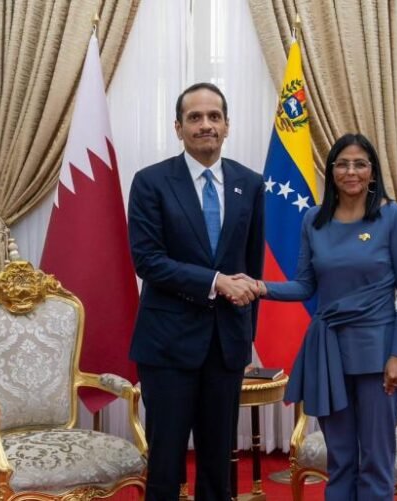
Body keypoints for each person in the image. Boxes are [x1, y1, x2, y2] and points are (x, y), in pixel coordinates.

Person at [255, 133, 397, 500]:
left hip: (378, 355)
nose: (351, 171)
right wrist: (260, 287)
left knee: (376, 460)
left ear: (372, 172)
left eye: (360, 164)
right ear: (330, 171)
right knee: (340, 459)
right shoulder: (314, 219)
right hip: (328, 353)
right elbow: (304, 285)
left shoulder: (392, 217)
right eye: (342, 164)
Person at [126, 82, 265, 501]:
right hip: (167, 346)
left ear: (227, 126)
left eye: (214, 117)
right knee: (166, 465)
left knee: (219, 466)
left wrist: (246, 338)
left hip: (226, 345)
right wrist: (215, 282)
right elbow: (148, 261)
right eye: (195, 117)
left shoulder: (249, 183)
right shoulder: (151, 182)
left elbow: (252, 267)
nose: (206, 125)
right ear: (178, 127)